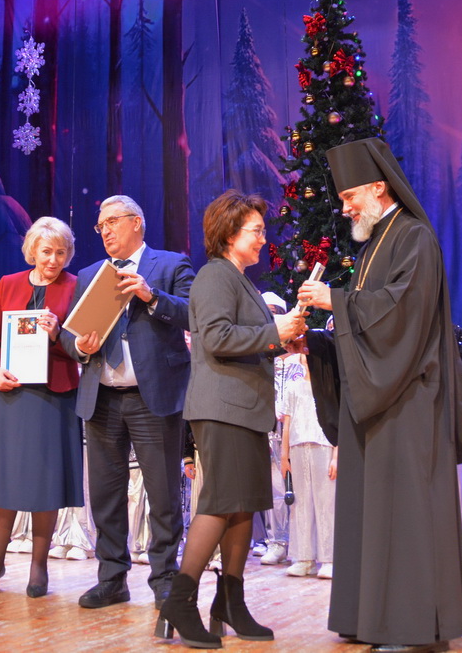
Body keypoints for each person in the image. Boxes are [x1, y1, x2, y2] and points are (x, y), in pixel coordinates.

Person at [297, 137, 462, 652]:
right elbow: (367, 323)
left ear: (378, 187)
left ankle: (411, 625)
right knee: (372, 509)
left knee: (405, 509)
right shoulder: (375, 243)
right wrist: (316, 342)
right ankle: (370, 616)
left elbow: (400, 315)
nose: (344, 207)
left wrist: (334, 300)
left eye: (350, 195)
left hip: (409, 400)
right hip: (380, 396)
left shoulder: (414, 237)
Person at [155, 189, 306, 649]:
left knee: (243, 504)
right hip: (222, 409)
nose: (263, 238)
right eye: (256, 231)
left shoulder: (238, 280)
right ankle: (180, 600)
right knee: (221, 503)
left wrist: (283, 340)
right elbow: (218, 337)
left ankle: (229, 602)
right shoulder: (214, 276)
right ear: (228, 234)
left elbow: (246, 339)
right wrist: (273, 332)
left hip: (244, 409)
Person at [61, 195, 194, 610]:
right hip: (101, 397)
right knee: (105, 496)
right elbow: (67, 333)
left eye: (112, 222)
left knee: (163, 494)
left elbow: (194, 314)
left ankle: (165, 578)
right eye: (100, 226)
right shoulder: (89, 275)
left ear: (136, 222)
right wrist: (79, 347)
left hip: (153, 398)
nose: (105, 231)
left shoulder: (170, 265)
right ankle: (112, 579)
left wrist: (152, 297)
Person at [0, 216, 84, 598]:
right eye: (47, 251)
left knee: (45, 483)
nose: (53, 259)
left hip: (54, 397)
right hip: (10, 395)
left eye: (61, 252)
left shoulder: (75, 286)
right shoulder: (8, 284)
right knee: (2, 480)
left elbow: (83, 345)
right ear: (32, 250)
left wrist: (58, 334)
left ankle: (39, 565)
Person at [279, 351, 337, 579]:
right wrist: (284, 455)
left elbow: (337, 423)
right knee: (301, 503)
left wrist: (336, 455)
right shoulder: (292, 387)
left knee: (326, 503)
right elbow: (287, 424)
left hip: (323, 445)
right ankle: (304, 558)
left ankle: (329, 559)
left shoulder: (329, 388)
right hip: (297, 446)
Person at [259, 291, 291, 567]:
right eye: (266, 312)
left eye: (276, 312)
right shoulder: (258, 353)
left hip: (297, 427)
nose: (271, 317)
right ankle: (277, 541)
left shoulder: (298, 352)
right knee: (274, 488)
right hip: (269, 427)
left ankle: (304, 543)